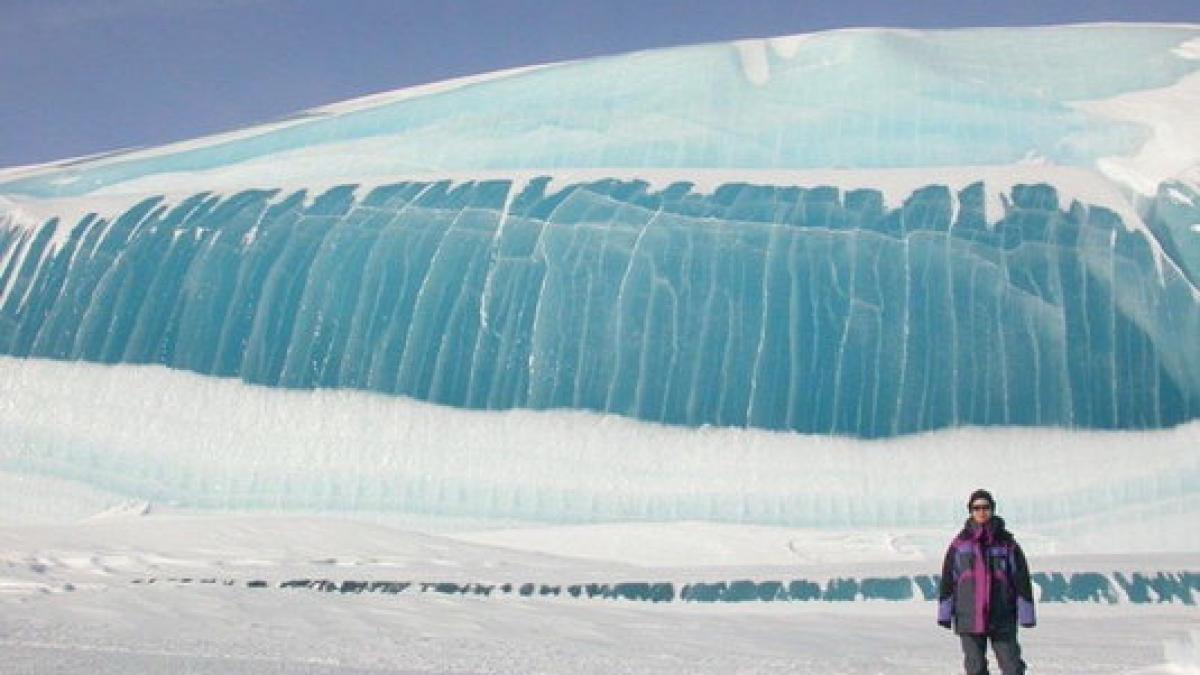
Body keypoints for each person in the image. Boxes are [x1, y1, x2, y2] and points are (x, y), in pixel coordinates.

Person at [938, 489, 1036, 675]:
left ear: (992, 509)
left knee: (1012, 666)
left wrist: (1027, 614)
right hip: (969, 617)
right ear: (970, 511)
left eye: (986, 507)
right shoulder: (959, 545)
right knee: (975, 668)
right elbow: (948, 580)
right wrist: (944, 613)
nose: (981, 511)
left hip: (1002, 616)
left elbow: (1021, 579)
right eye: (977, 508)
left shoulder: (1007, 544)